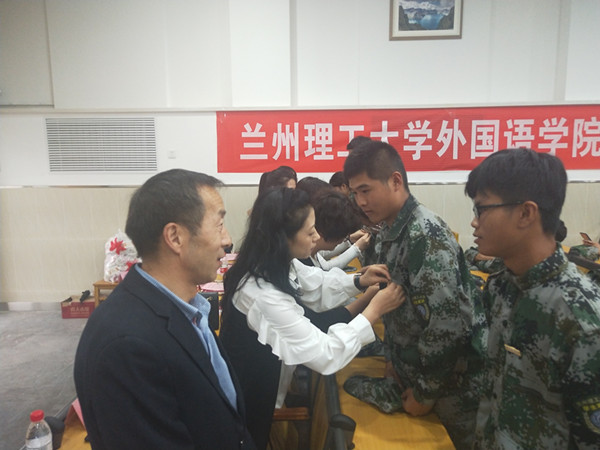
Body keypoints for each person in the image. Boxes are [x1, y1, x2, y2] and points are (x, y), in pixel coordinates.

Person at [74, 169, 255, 449]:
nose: (227, 239)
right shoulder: (127, 347)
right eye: (219, 225)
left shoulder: (189, 309)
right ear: (175, 237)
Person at [219, 187, 406, 450]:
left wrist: (359, 281)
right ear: (282, 237)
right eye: (309, 232)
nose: (317, 237)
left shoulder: (277, 263)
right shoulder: (261, 295)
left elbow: (316, 283)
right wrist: (372, 311)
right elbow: (326, 354)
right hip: (247, 400)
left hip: (262, 386)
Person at [342, 140, 483, 449]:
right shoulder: (389, 231)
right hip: (412, 378)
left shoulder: (425, 236)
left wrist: (425, 393)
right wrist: (392, 361)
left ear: (395, 181)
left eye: (366, 190)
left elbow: (448, 325)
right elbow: (398, 307)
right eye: (354, 193)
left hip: (447, 391)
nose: (360, 201)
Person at [465, 148, 600, 449]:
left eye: (481, 209)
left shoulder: (582, 321)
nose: (474, 222)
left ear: (526, 213)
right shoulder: (503, 285)